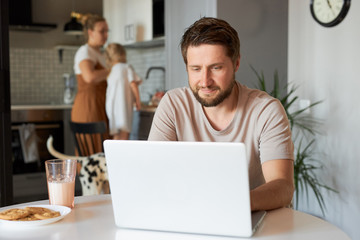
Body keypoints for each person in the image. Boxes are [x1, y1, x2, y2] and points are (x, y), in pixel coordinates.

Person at [148, 17, 294, 211]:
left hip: (253, 218)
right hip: (191, 213)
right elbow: (154, 174)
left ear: (236, 63)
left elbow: (282, 186)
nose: (205, 81)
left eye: (216, 68)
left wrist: (233, 204)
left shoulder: (266, 111)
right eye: (196, 69)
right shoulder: (173, 104)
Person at [72, 14, 110, 154]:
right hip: (88, 106)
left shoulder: (99, 53)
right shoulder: (85, 52)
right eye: (102, 31)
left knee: (100, 149)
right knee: (91, 150)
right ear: (90, 32)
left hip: (99, 104)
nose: (106, 35)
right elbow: (89, 77)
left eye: (107, 31)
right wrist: (112, 70)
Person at [105, 43, 142, 140]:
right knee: (124, 134)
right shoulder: (126, 67)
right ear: (123, 54)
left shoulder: (111, 70)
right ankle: (120, 155)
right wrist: (138, 101)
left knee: (116, 135)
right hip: (123, 106)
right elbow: (133, 84)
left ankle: (113, 155)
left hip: (112, 107)